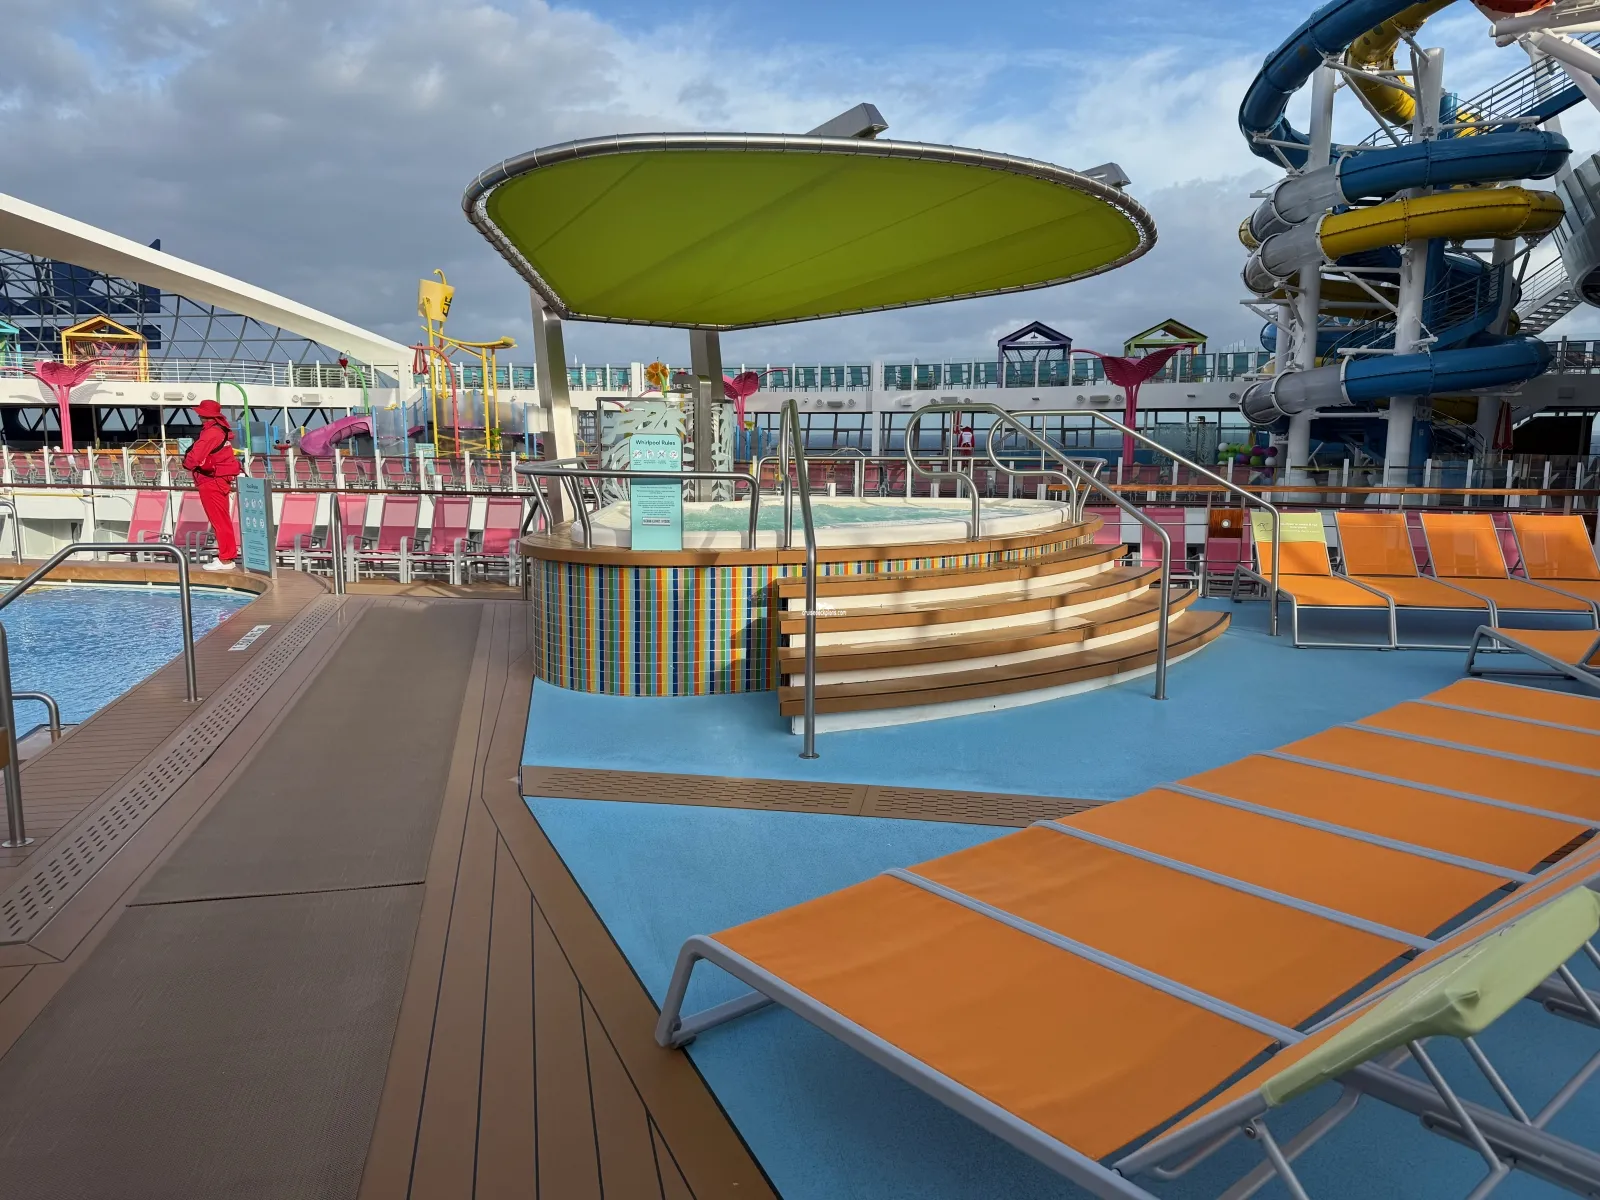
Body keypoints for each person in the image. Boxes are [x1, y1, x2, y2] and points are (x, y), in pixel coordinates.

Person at [182, 399, 243, 571]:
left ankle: (226, 559)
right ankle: (227, 556)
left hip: (211, 481)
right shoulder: (219, 430)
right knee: (222, 520)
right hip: (219, 479)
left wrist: (186, 462)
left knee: (219, 521)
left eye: (200, 414)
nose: (199, 416)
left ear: (205, 415)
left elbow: (193, 458)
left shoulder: (211, 433)